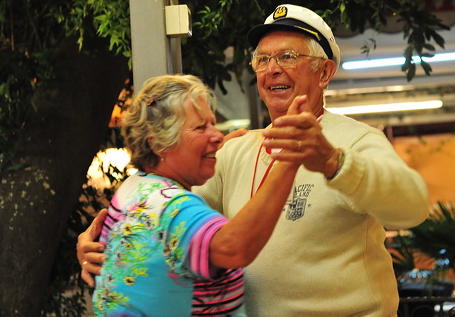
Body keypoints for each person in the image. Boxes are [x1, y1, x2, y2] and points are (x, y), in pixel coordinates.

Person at [80, 4, 430, 316]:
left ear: (324, 73)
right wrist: (105, 233)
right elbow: (170, 215)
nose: (271, 70)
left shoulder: (356, 140)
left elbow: (413, 208)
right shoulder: (238, 149)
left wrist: (333, 162)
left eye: (288, 57)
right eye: (263, 59)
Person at [90, 74, 301, 316]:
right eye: (200, 127)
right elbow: (235, 248)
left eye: (212, 124)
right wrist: (289, 157)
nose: (218, 135)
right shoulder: (173, 207)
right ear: (158, 144)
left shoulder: (134, 187)